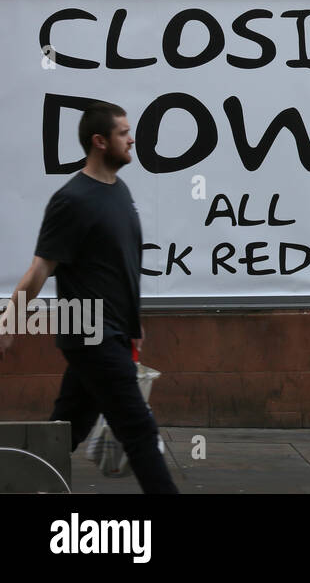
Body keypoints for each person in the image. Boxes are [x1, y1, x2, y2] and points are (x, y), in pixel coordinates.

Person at [0, 101, 178, 493]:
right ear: (99, 141)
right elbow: (39, 270)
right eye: (122, 133)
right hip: (91, 335)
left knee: (67, 429)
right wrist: (9, 322)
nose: (131, 138)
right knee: (139, 430)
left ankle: (23, 485)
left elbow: (121, 266)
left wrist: (134, 325)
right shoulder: (72, 200)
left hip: (113, 334)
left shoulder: (119, 191)